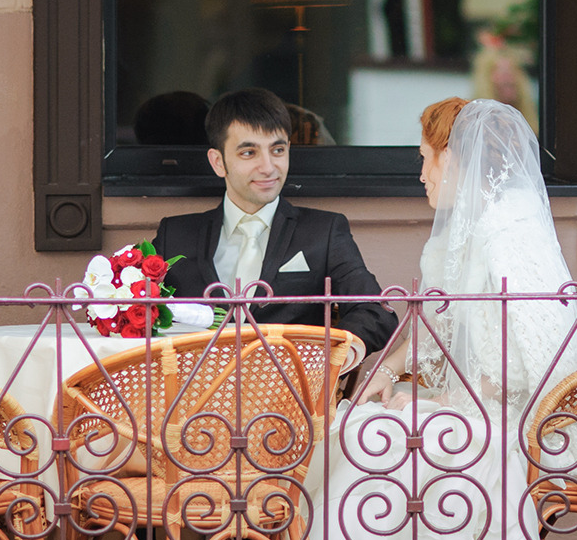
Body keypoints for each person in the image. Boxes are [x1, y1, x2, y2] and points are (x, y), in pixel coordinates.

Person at [271, 96, 577, 540]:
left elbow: (524, 365)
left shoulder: (506, 236)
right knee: (359, 425)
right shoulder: (459, 236)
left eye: (426, 159)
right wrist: (389, 376)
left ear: (457, 160)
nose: (420, 174)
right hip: (473, 407)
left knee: (397, 441)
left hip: (517, 418)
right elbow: (439, 329)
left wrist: (443, 402)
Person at [154, 88, 398, 360]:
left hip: (291, 395)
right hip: (193, 395)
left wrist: (327, 361)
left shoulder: (324, 231)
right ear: (218, 162)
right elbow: (136, 312)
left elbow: (376, 312)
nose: (268, 167)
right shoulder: (173, 236)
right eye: (249, 153)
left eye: (277, 150)